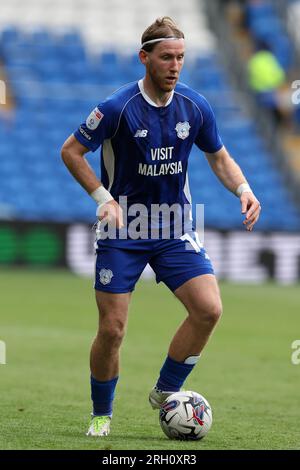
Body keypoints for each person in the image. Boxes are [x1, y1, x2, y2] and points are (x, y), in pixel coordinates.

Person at [61, 16, 261, 437]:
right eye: (167, 57)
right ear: (145, 57)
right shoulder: (117, 108)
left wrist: (243, 187)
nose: (175, 65)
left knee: (208, 309)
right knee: (112, 330)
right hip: (123, 230)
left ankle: (166, 390)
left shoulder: (195, 106)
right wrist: (105, 199)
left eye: (181, 58)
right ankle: (102, 413)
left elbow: (219, 157)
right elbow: (71, 151)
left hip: (174, 227)